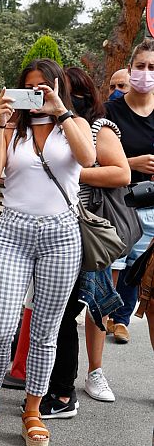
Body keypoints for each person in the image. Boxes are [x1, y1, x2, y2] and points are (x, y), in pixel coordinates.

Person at [0, 59, 95, 445]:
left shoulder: (74, 125)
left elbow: (88, 159)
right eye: (28, 88)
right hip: (14, 231)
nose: (36, 94)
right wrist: (1, 122)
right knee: (0, 326)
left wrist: (60, 112)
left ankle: (33, 408)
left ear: (58, 87)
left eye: (43, 87)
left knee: (46, 332)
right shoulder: (13, 130)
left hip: (61, 235)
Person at [41, 66, 129, 417]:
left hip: (80, 233)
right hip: (49, 230)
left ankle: (65, 394)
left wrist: (73, 168)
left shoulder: (96, 128)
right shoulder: (50, 127)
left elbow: (120, 172)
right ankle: (49, 387)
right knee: (52, 314)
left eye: (71, 92)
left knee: (65, 314)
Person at [106, 38, 154, 345]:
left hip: (152, 211)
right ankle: (94, 369)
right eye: (140, 66)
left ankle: (122, 321)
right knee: (109, 281)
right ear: (129, 68)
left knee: (148, 289)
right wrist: (130, 162)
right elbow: (93, 159)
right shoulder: (109, 110)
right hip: (116, 206)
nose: (146, 73)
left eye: (152, 67)